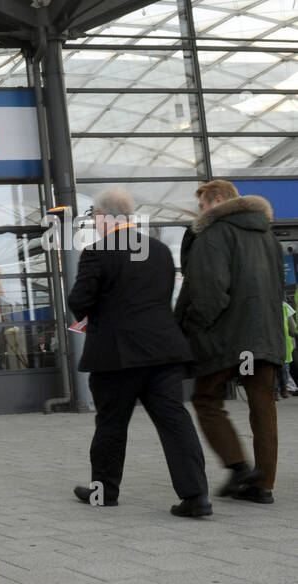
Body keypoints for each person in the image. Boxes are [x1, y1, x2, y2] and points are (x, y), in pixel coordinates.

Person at [67, 189, 211, 517]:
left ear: (103, 216)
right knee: (175, 422)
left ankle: (104, 491)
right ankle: (196, 496)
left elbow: (79, 301)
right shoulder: (160, 251)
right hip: (164, 351)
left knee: (112, 424)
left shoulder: (97, 252)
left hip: (116, 356)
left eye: (94, 219)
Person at [174, 180, 286, 504]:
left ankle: (238, 467)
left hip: (227, 338)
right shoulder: (268, 237)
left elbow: (209, 294)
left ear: (218, 200)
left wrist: (194, 329)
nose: (200, 212)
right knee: (262, 406)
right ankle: (262, 486)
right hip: (264, 336)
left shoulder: (213, 235)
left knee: (207, 400)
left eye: (202, 205)